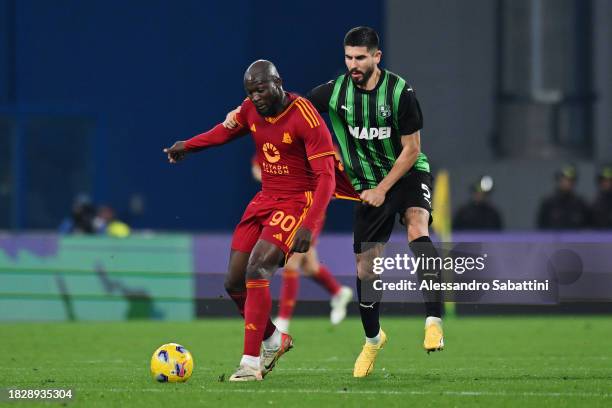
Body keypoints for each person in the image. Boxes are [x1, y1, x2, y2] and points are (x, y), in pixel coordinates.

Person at [224, 27, 445, 378]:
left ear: (376, 57)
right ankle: (373, 340)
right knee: (365, 268)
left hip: (405, 173)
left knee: (417, 224)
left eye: (360, 58)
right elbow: (288, 104)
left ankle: (434, 319)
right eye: (348, 58)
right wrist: (241, 111)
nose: (353, 65)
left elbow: (412, 149)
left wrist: (384, 189)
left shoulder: (402, 93)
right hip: (367, 184)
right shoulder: (335, 92)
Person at [164, 60, 357, 382]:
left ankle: (250, 364)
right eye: (250, 92)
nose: (256, 97)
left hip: (297, 201)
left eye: (261, 88)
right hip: (264, 199)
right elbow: (223, 132)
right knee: (233, 282)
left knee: (258, 269)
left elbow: (325, 179)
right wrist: (189, 146)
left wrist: (309, 224)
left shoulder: (304, 115)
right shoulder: (250, 109)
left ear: (278, 82)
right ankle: (273, 339)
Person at [250, 157, 353, 333]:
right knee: (310, 267)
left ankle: (283, 319)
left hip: (311, 208)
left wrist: (329, 188)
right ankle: (338, 292)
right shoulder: (281, 139)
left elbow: (335, 174)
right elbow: (257, 167)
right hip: (287, 203)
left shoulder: (319, 142)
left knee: (293, 258)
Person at [537, 164, 590, 229]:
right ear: (558, 181)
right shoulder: (548, 203)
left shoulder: (581, 203)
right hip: (553, 238)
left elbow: (588, 228)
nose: (567, 183)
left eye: (570, 180)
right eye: (564, 179)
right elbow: (540, 227)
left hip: (576, 239)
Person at [591, 165, 612, 229]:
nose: (607, 183)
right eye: (604, 181)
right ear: (600, 182)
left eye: (609, 181)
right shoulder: (595, 204)